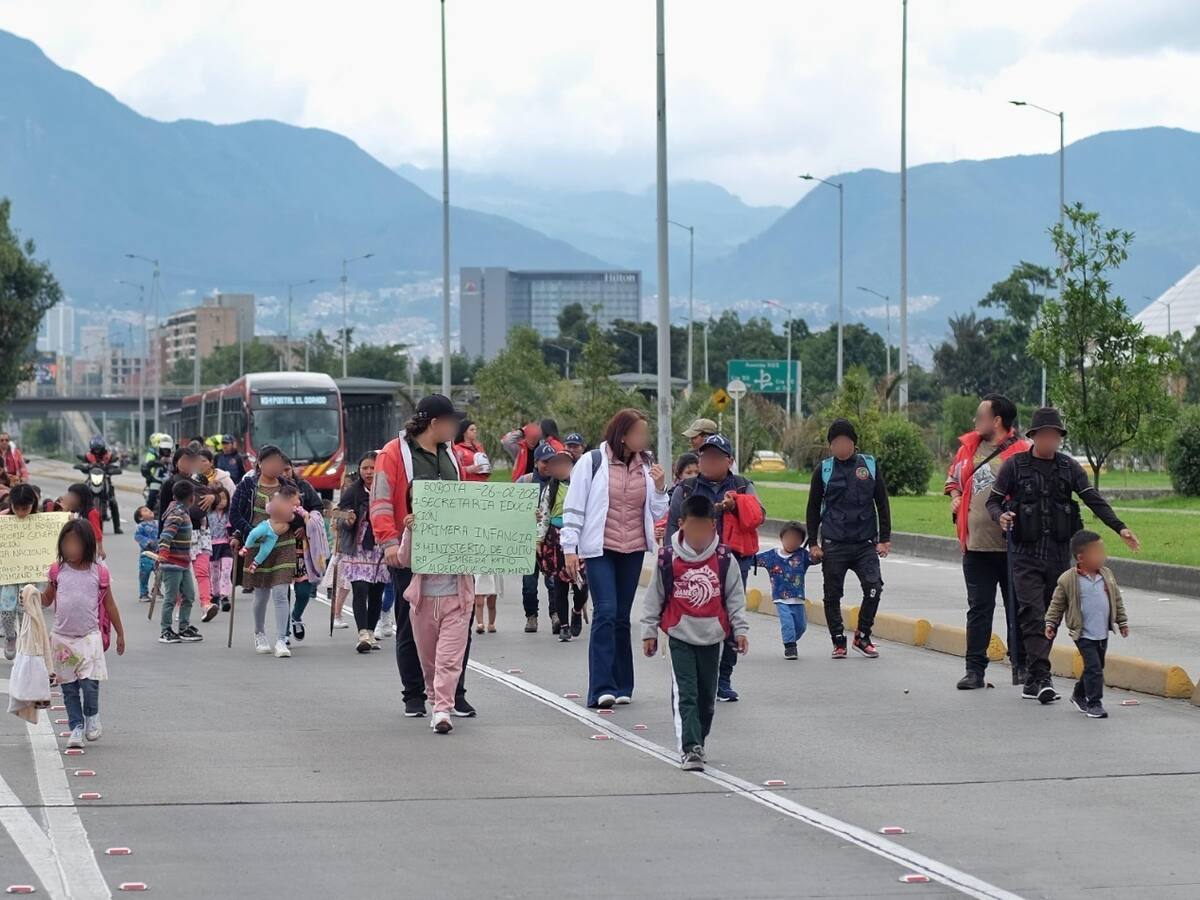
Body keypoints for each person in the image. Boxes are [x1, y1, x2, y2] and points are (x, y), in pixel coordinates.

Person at [987, 407, 1139, 704]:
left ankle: (1032, 677)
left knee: (1050, 616)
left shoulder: (1069, 468)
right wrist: (1001, 517)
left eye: (1055, 435)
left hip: (1058, 556)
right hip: (1024, 554)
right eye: (1045, 435)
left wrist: (1119, 528)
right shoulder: (1014, 466)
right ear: (1033, 436)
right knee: (1031, 612)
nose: (1050, 440)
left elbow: (1092, 499)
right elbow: (993, 502)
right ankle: (1043, 676)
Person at [370, 394, 476, 719]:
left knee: (460, 623)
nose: (456, 428)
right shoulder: (393, 454)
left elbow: (467, 498)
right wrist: (389, 542)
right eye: (451, 422)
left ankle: (454, 693)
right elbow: (381, 499)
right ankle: (414, 694)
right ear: (435, 423)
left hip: (452, 552)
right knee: (410, 624)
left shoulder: (452, 454)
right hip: (411, 550)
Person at [561, 408, 669, 709]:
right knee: (605, 612)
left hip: (632, 550)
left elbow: (658, 513)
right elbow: (574, 506)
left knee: (622, 617)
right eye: (639, 433)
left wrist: (660, 489)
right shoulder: (592, 462)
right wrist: (570, 548)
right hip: (600, 549)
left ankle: (623, 685)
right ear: (623, 436)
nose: (644, 439)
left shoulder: (646, 466)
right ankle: (601, 687)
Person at [641, 494, 748, 771]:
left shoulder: (724, 559)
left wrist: (740, 629)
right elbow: (654, 597)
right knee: (686, 692)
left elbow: (735, 596)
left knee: (706, 697)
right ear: (681, 524)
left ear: (713, 526)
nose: (699, 534)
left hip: (713, 636)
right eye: (693, 527)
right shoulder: (668, 558)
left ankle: (698, 739)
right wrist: (649, 631)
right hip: (679, 635)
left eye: (704, 527)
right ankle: (690, 748)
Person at [665, 434, 764, 701]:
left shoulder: (743, 486)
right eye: (705, 456)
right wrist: (671, 562)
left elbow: (759, 516)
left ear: (729, 461)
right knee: (695, 620)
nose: (709, 461)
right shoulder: (686, 489)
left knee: (729, 620)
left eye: (717, 457)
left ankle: (723, 678)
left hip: (733, 563)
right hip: (692, 564)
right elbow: (674, 525)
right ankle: (696, 676)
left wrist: (737, 506)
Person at [945, 394, 1031, 690]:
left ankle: (1023, 667)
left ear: (997, 420)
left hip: (1012, 548)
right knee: (979, 609)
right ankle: (975, 670)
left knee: (1017, 608)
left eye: (981, 416)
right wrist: (956, 498)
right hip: (976, 546)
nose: (975, 421)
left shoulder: (1022, 452)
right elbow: (953, 479)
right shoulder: (968, 448)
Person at [805, 418, 892, 660]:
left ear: (853, 443)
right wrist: (813, 542)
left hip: (864, 542)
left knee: (874, 587)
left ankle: (863, 635)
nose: (841, 446)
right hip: (834, 542)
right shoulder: (824, 469)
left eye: (845, 442)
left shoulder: (869, 466)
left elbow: (882, 503)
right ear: (831, 446)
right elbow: (813, 508)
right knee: (832, 595)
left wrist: (884, 538)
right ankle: (838, 640)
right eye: (836, 443)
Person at [41, 519, 125, 748]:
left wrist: (120, 634)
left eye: (75, 543)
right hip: (62, 638)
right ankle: (76, 727)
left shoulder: (98, 572)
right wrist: (30, 596)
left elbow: (110, 605)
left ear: (87, 545)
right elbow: (47, 599)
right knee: (68, 688)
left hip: (89, 636)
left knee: (89, 684)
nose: (70, 548)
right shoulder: (58, 571)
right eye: (66, 543)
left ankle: (92, 715)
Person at [1045, 530, 1128, 719]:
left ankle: (1079, 694)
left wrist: (1121, 621)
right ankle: (1094, 703)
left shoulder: (1106, 574)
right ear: (1081, 558)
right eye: (1097, 552)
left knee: (1097, 666)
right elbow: (1057, 604)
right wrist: (1051, 623)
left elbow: (1116, 599)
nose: (1103, 556)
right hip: (1083, 633)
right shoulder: (1068, 579)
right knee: (1094, 668)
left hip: (1102, 631)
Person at [230, 446, 299, 659]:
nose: (274, 466)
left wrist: (295, 522)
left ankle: (281, 639)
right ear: (259, 463)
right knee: (261, 595)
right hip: (257, 545)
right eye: (269, 462)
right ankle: (259, 633)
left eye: (278, 462)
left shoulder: (289, 486)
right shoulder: (247, 486)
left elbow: (299, 511)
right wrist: (249, 533)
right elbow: (236, 514)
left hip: (284, 544)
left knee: (281, 592)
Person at [338, 452, 390, 654]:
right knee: (360, 588)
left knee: (377, 591)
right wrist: (348, 519)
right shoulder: (352, 492)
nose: (368, 472)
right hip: (358, 547)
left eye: (372, 467)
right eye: (364, 468)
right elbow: (338, 513)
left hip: (381, 546)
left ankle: (370, 630)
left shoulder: (387, 489)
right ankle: (362, 634)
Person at [537, 443, 588, 643]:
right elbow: (544, 515)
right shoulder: (550, 489)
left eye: (565, 465)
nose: (561, 469)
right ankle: (564, 626)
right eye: (556, 465)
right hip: (555, 540)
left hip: (578, 539)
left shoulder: (582, 487)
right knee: (558, 585)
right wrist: (539, 540)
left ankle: (577, 610)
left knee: (581, 583)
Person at [153, 480, 202, 644]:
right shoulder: (176, 514)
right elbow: (166, 535)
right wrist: (164, 552)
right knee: (171, 598)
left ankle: (183, 627)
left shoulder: (182, 511)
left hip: (183, 563)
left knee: (189, 595)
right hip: (172, 563)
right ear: (192, 498)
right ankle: (165, 629)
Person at [756, 522, 812, 660]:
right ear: (782, 538)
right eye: (789, 538)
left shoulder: (803, 555)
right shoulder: (771, 556)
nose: (792, 541)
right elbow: (752, 560)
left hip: (798, 598)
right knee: (787, 622)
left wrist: (819, 552)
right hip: (780, 597)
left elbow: (817, 558)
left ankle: (791, 639)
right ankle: (790, 646)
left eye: (796, 539)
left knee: (801, 626)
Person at [519, 443, 557, 632]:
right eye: (545, 462)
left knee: (553, 581)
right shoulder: (524, 482)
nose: (549, 466)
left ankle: (555, 615)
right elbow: (511, 509)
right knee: (529, 583)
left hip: (551, 541)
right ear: (536, 463)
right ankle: (531, 617)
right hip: (528, 540)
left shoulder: (559, 482)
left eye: (552, 462)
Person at [1, 483, 40, 659]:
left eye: (25, 508)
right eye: (17, 508)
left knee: (25, 608)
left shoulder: (42, 523)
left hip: (29, 573)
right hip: (8, 573)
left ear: (33, 505)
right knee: (6, 607)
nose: (21, 512)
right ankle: (10, 636)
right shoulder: (3, 520)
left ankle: (26, 640)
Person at [83, 435, 122, 534]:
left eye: (98, 449)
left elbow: (116, 462)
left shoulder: (108, 456)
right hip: (91, 478)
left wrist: (113, 469)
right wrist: (83, 467)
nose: (97, 451)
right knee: (82, 494)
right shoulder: (88, 456)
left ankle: (117, 527)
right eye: (95, 449)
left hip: (105, 478)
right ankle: (82, 522)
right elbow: (82, 462)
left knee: (113, 501)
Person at [61, 483, 106, 561]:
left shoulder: (92, 513)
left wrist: (100, 548)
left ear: (81, 497)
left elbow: (97, 532)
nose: (70, 499)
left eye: (73, 496)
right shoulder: (74, 512)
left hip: (87, 548)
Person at [207, 489, 233, 612]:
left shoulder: (230, 514)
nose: (221, 502)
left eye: (224, 499)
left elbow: (233, 528)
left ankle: (225, 596)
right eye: (218, 498)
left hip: (226, 545)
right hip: (211, 545)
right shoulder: (208, 514)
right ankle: (215, 594)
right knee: (214, 572)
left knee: (226, 571)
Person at [133, 506, 159, 602]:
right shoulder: (141, 526)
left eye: (149, 509)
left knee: (160, 573)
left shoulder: (157, 523)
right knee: (144, 574)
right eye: (145, 511)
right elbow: (137, 537)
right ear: (140, 518)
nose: (149, 511)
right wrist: (147, 542)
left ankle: (156, 589)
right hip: (146, 555)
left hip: (158, 554)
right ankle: (143, 593)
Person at [141, 435, 173, 511]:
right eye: (164, 450)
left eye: (167, 450)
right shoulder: (154, 454)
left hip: (171, 481)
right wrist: (158, 462)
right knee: (152, 496)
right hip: (157, 480)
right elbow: (146, 466)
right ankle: (148, 513)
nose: (166, 452)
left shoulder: (175, 456)